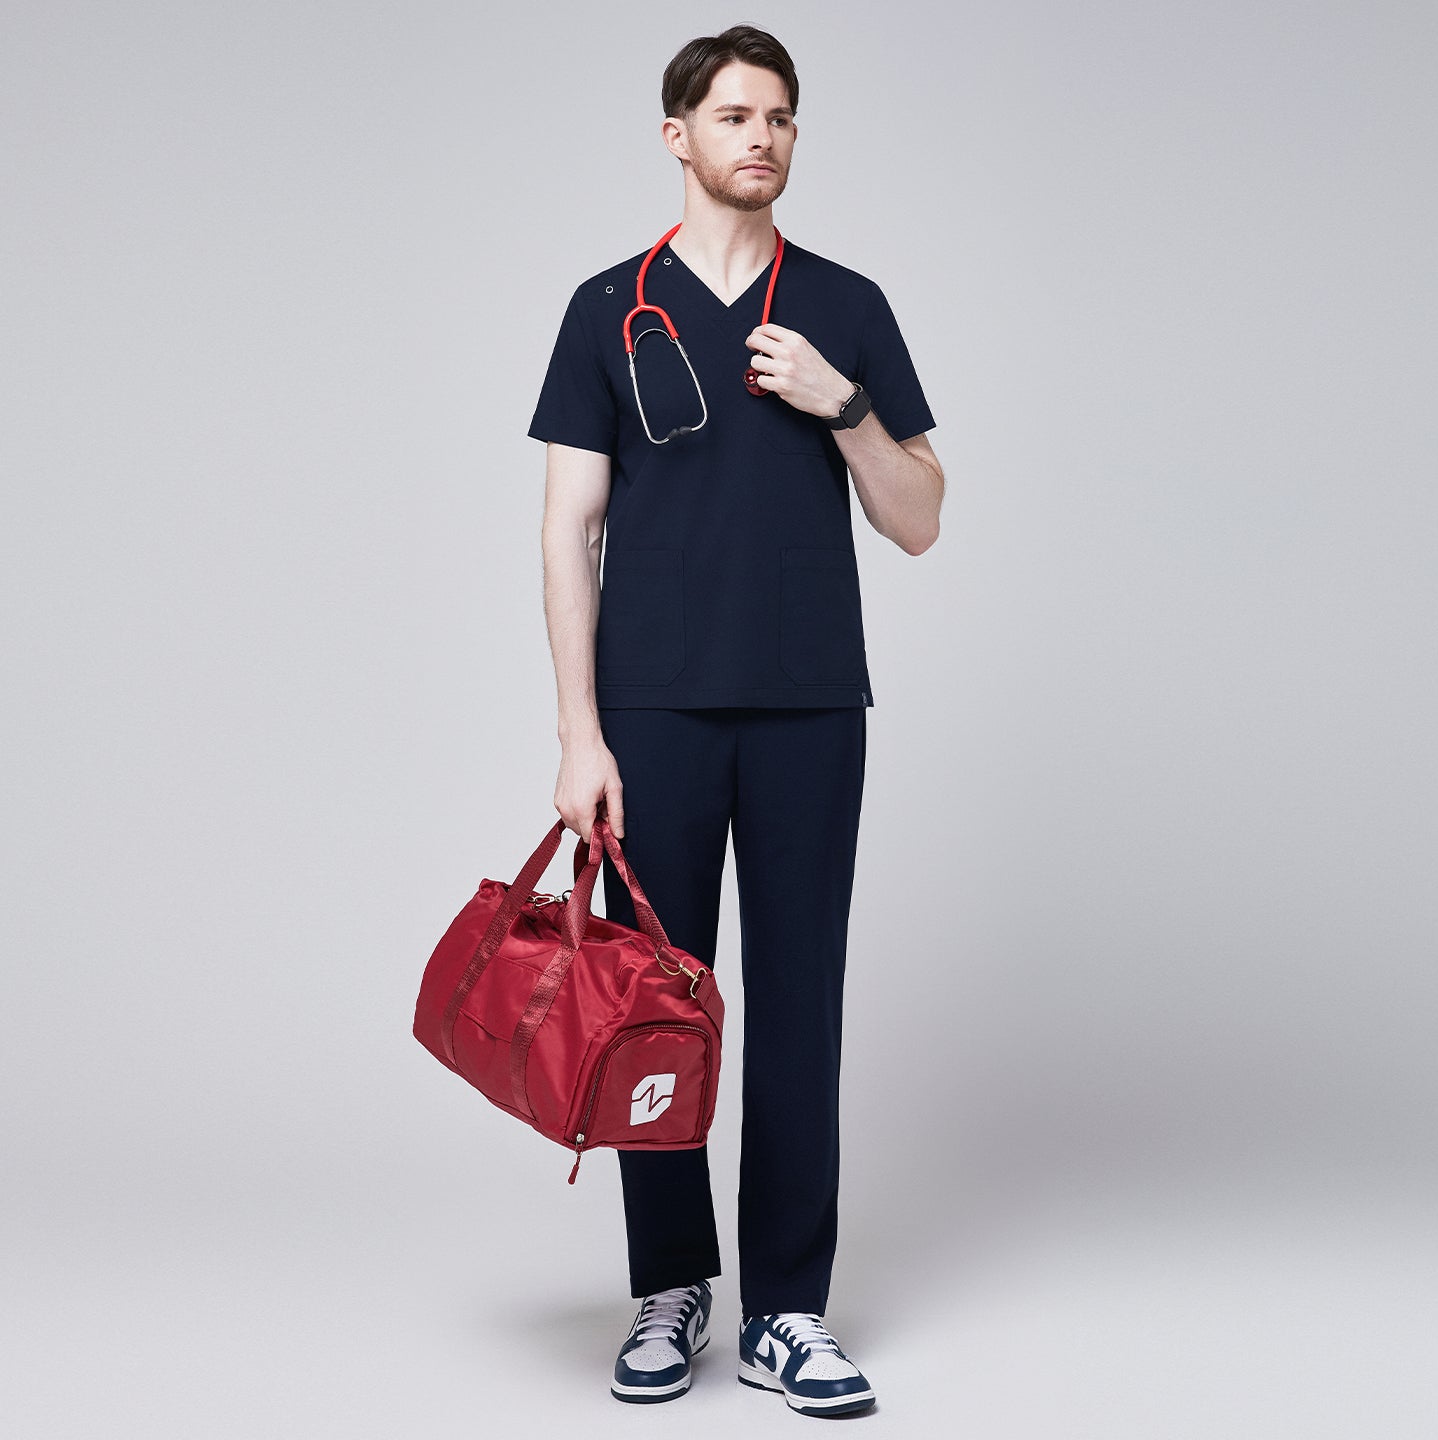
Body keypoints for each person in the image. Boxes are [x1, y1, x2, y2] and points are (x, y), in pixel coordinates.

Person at [528, 24, 942, 1419]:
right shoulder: (607, 307)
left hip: (813, 705)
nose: (760, 136)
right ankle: (670, 1288)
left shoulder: (847, 304)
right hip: (653, 709)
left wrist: (847, 406)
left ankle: (787, 1312)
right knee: (657, 1011)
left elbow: (920, 520)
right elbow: (566, 528)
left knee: (800, 1009)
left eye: (781, 117)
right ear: (679, 137)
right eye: (733, 114)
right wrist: (583, 734)